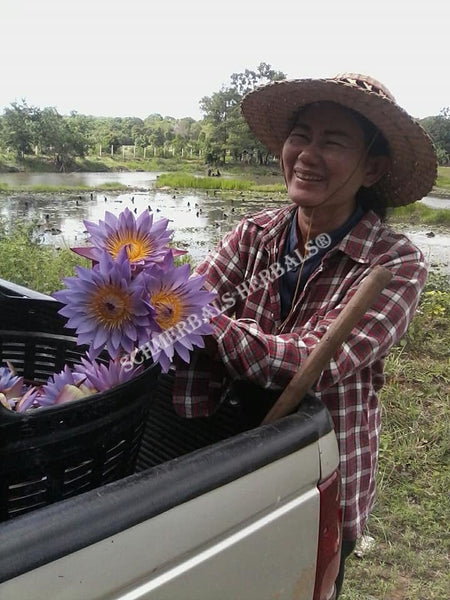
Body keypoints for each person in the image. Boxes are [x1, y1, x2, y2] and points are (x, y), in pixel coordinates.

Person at [172, 73, 437, 596]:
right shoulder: (255, 235)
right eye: (301, 135)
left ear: (373, 168)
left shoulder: (395, 263)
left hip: (317, 485)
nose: (307, 155)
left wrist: (191, 315)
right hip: (232, 463)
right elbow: (190, 301)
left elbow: (307, 361)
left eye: (333, 142)